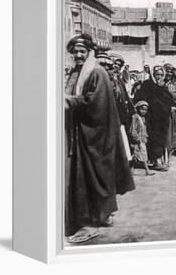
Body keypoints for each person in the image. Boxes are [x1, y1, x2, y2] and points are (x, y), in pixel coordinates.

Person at [64, 34, 135, 244]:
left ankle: (89, 223)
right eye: (75, 52)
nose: (77, 55)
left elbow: (96, 104)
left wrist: (70, 101)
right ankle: (102, 216)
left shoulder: (96, 72)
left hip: (95, 136)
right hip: (81, 133)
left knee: (88, 177)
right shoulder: (79, 72)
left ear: (89, 53)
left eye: (81, 52)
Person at [133, 66, 176, 171]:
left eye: (162, 75)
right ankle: (157, 161)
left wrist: (173, 106)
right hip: (152, 117)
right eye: (157, 74)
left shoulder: (163, 86)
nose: (159, 77)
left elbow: (168, 99)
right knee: (154, 139)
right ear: (153, 74)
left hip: (162, 118)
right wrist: (167, 108)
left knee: (161, 139)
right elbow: (151, 102)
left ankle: (159, 160)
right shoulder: (147, 85)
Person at [129, 101, 154, 176]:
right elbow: (133, 129)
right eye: (142, 109)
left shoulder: (142, 118)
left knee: (135, 156)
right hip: (137, 140)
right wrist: (136, 139)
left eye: (145, 110)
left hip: (142, 139)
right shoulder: (135, 117)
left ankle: (131, 171)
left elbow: (143, 129)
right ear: (138, 108)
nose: (144, 111)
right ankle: (147, 170)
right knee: (142, 155)